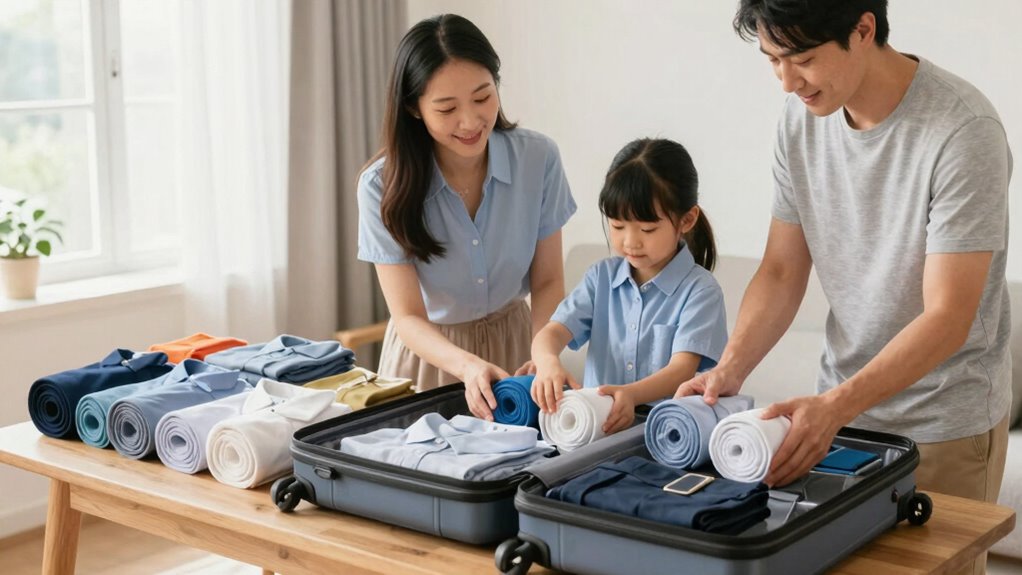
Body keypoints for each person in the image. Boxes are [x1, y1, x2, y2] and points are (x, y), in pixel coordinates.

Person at [679, 4, 1011, 570]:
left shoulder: (963, 130)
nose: (786, 81)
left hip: (942, 422)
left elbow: (948, 316)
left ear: (863, 30)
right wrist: (728, 369)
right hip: (841, 410)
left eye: (802, 59)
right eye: (773, 60)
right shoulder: (800, 119)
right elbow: (783, 269)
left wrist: (832, 408)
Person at [357, 14, 576, 421]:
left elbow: (548, 281)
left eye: (482, 97)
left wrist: (543, 354)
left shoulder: (538, 159)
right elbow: (406, 316)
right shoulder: (380, 186)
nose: (472, 121)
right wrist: (467, 366)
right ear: (414, 108)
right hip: (429, 360)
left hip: (516, 346)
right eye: (447, 108)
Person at [530, 138, 728, 434]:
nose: (629, 242)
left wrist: (631, 396)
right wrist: (547, 362)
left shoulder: (700, 291)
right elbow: (552, 332)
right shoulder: (601, 278)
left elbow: (680, 371)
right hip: (596, 431)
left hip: (666, 434)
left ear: (687, 220)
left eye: (647, 229)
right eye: (618, 226)